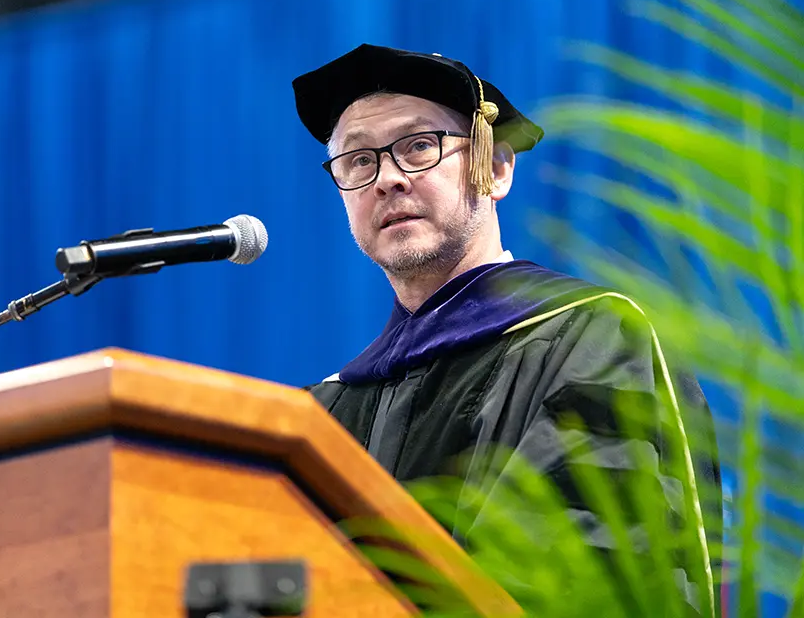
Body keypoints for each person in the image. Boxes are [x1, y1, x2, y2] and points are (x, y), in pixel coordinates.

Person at [291, 44, 722, 616]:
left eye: (418, 146)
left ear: (494, 169)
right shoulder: (326, 410)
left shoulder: (592, 339)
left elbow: (596, 577)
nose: (386, 180)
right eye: (358, 161)